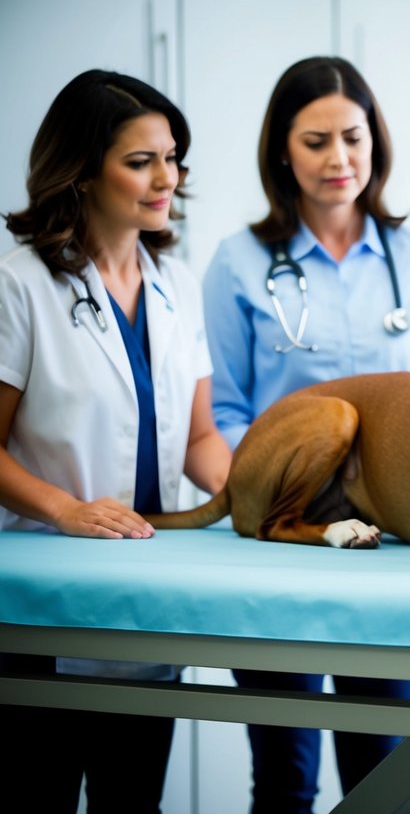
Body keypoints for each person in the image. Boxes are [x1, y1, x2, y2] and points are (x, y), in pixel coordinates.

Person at [202, 56, 410, 812]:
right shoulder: (238, 264)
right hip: (281, 545)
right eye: (315, 142)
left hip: (383, 554)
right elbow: (223, 414)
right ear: (282, 151)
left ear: (374, 140)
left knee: (380, 772)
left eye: (353, 136)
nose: (338, 159)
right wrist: (255, 505)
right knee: (283, 771)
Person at [0, 70, 230, 812]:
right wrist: (65, 510)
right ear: (81, 171)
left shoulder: (176, 283)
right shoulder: (19, 285)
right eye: (141, 162)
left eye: (172, 158)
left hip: (146, 589)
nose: (166, 179)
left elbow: (198, 436)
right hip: (43, 594)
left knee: (133, 801)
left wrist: (258, 496)